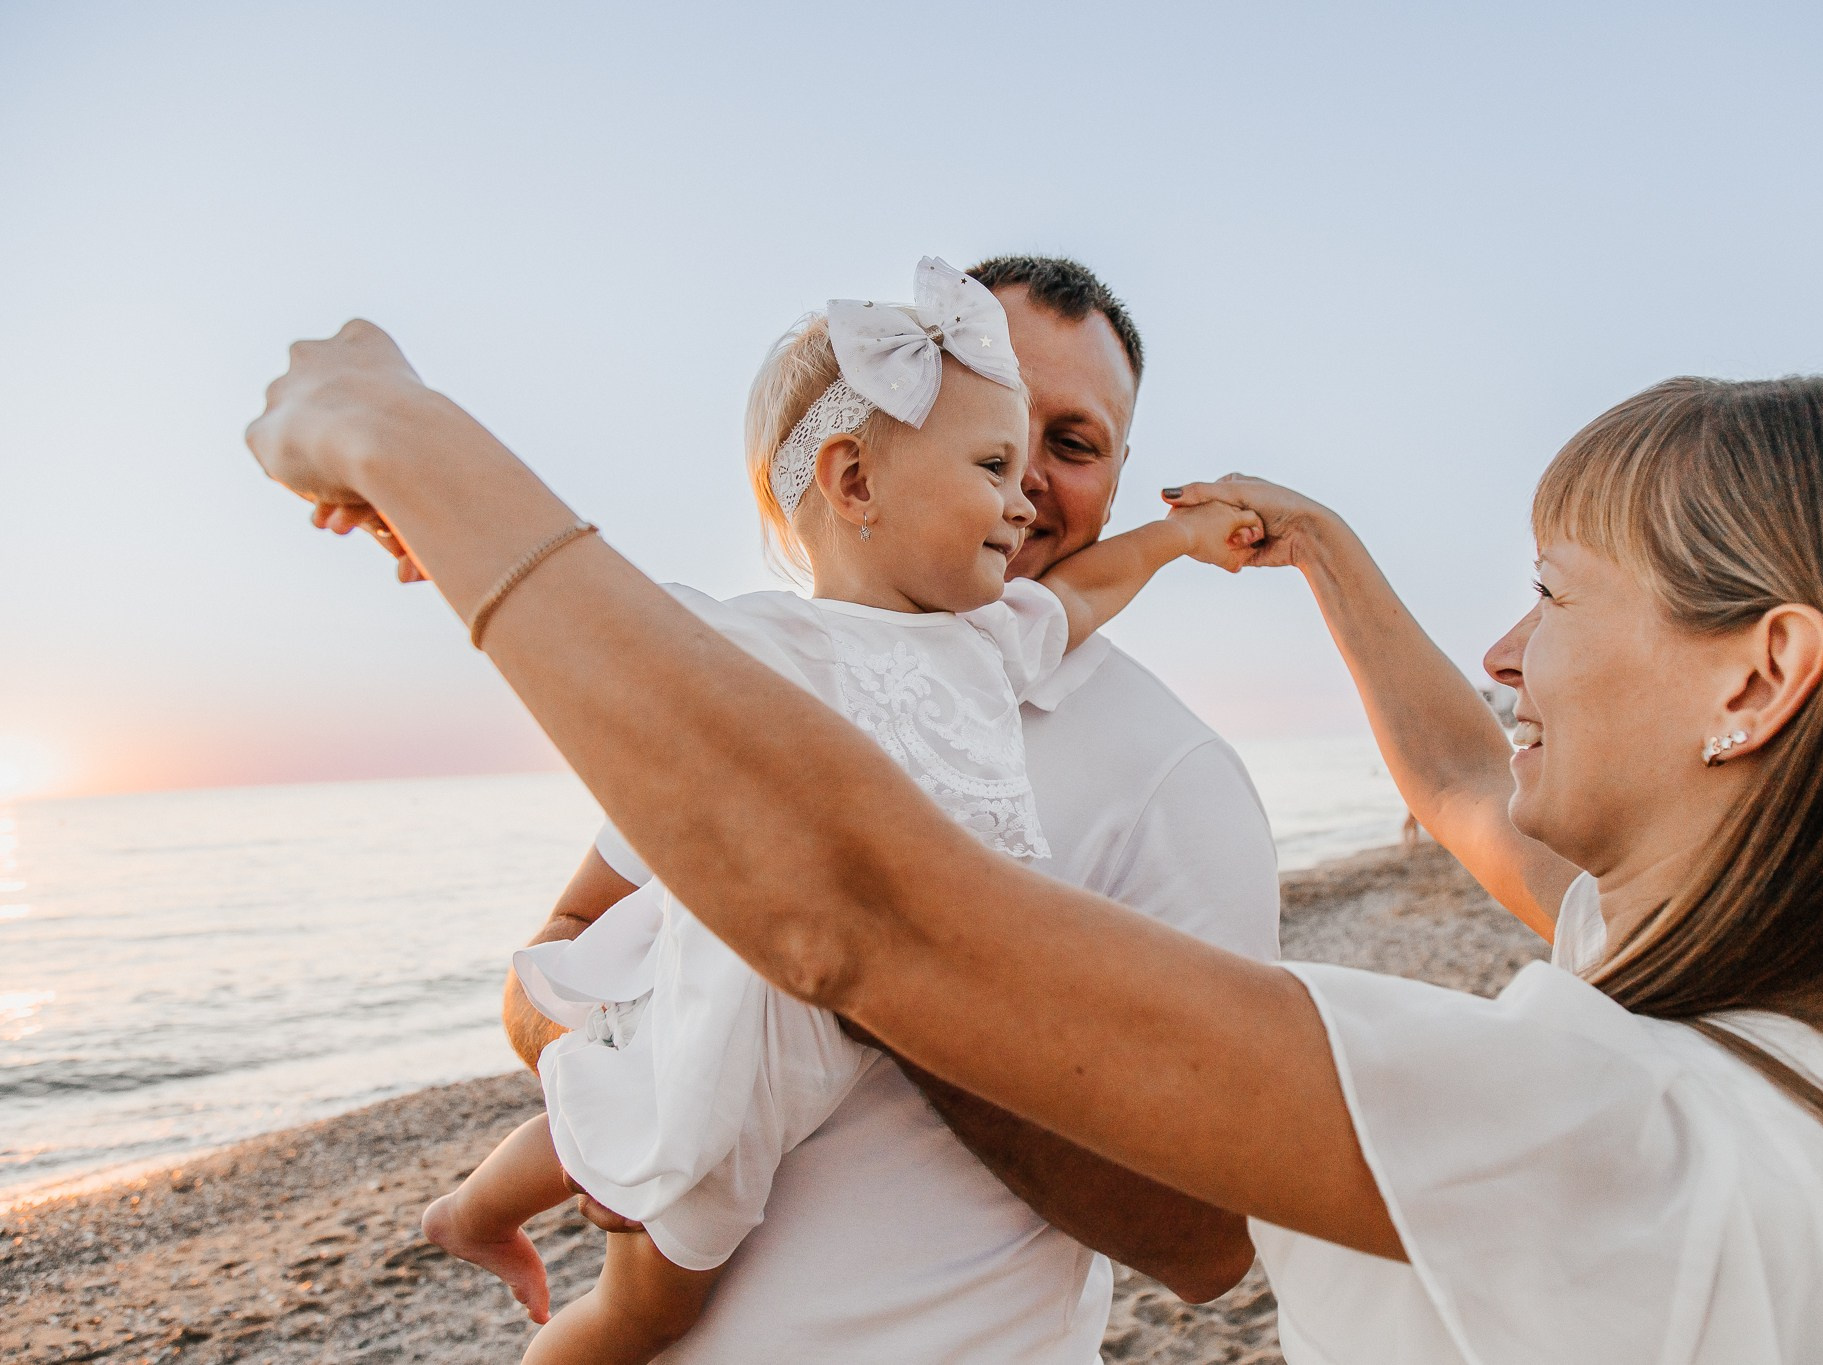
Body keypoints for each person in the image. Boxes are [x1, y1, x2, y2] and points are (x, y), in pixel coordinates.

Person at [254, 316, 1823, 1362]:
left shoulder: (1612, 1121)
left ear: (1758, 681)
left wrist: (400, 435)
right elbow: (1459, 792)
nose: (1505, 652)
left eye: (1549, 596)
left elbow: (871, 912)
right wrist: (1332, 556)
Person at [411, 259, 1259, 1363]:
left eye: (1073, 445)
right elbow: (566, 945)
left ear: (1122, 468)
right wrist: (615, 1064)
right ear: (861, 478)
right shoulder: (755, 666)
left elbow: (1208, 1247)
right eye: (995, 451)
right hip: (709, 1054)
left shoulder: (1163, 767)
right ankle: (479, 1211)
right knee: (623, 1205)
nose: (1025, 491)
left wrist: (883, 978)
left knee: (640, 1305)